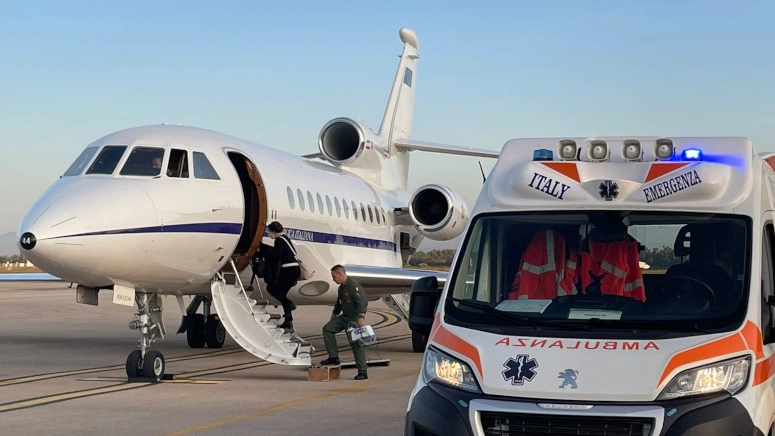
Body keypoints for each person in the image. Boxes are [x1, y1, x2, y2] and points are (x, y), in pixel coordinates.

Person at [320, 265, 369, 380]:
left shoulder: (352, 285)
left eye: (334, 276)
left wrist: (361, 316)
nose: (333, 279)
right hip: (344, 317)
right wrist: (334, 314)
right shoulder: (341, 287)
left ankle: (363, 371)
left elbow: (363, 301)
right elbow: (339, 302)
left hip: (353, 319)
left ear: (341, 274)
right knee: (327, 329)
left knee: (356, 344)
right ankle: (333, 357)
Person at [259, 221, 300, 329]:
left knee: (272, 288)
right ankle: (288, 320)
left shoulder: (279, 241)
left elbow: (276, 257)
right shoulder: (285, 238)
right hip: (294, 270)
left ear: (273, 231)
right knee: (282, 294)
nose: (270, 234)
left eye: (270, 232)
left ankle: (289, 304)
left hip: (288, 270)